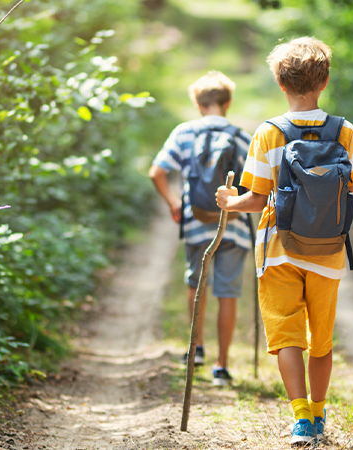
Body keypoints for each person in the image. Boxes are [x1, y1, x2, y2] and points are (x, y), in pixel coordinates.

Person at [216, 37, 353, 445]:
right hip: (329, 252)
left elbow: (254, 198)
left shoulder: (269, 133)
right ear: (324, 81)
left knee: (287, 336)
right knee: (321, 341)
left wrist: (229, 202)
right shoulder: (346, 131)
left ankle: (301, 417)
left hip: (278, 250)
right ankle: (320, 415)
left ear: (280, 84)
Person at [149, 71, 253, 387]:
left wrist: (173, 203)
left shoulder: (184, 133)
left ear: (197, 103)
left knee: (197, 284)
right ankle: (221, 365)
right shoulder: (241, 136)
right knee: (228, 292)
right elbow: (258, 184)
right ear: (228, 102)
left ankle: (195, 349)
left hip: (195, 223)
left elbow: (157, 172)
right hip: (233, 225)